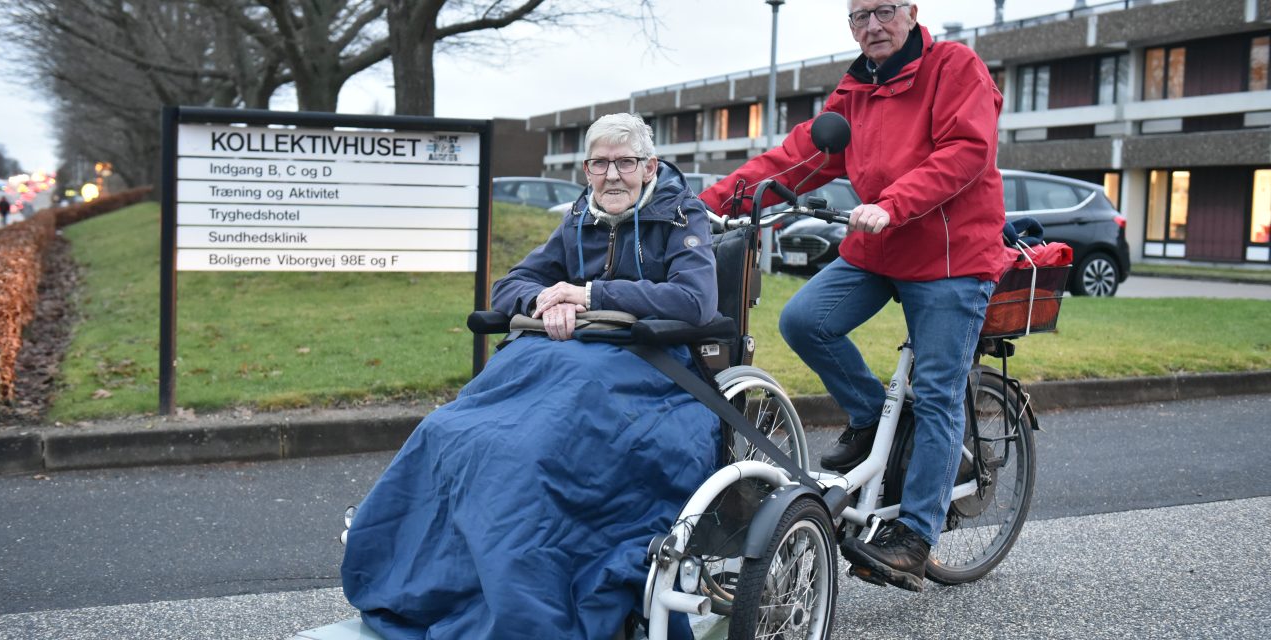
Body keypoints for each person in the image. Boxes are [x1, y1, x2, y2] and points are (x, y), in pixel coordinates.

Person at [342, 113, 720, 639]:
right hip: (554, 362)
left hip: (642, 373)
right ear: (586, 170)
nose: (613, 175)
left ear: (649, 166)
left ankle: (523, 598)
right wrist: (542, 296)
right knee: (447, 430)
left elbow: (695, 300)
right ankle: (431, 582)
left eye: (625, 162)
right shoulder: (577, 219)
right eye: (600, 163)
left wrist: (588, 295)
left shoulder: (681, 217)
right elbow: (510, 284)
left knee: (527, 452)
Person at [698, 1, 1007, 593]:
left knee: (939, 389)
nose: (872, 25)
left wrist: (894, 201)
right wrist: (713, 202)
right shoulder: (858, 89)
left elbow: (966, 151)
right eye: (859, 15)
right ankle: (874, 418)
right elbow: (801, 156)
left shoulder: (954, 67)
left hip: (950, 256)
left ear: (912, 12)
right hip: (879, 248)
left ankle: (915, 537)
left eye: (884, 10)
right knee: (804, 320)